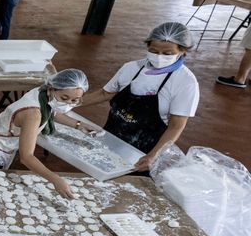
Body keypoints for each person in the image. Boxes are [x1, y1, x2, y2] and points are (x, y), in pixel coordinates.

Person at [80, 23, 199, 170]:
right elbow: (105, 93)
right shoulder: (132, 68)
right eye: (153, 51)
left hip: (143, 151)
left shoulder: (185, 82)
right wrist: (69, 104)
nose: (159, 57)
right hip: (111, 138)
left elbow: (176, 126)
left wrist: (153, 155)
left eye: (167, 54)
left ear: (182, 51)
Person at [0, 69, 96, 198]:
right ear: (51, 89)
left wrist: (79, 125)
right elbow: (27, 157)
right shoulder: (33, 114)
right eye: (64, 98)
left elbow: (54, 113)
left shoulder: (43, 94)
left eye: (75, 100)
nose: (68, 104)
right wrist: (56, 179)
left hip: (5, 144)